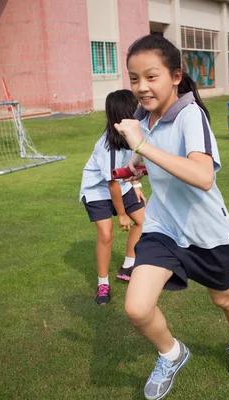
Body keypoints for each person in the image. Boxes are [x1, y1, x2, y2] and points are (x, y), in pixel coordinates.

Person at [113, 34, 229, 400]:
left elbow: (203, 176)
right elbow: (152, 154)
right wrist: (135, 165)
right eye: (134, 78)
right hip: (163, 227)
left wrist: (142, 146)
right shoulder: (144, 116)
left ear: (175, 76)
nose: (141, 87)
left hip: (207, 233)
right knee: (137, 308)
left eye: (151, 77)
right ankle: (172, 353)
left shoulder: (191, 116)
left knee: (223, 299)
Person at [79, 89, 146, 304]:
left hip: (120, 185)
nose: (139, 109)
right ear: (125, 112)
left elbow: (131, 164)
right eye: (135, 106)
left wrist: (135, 184)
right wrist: (122, 214)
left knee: (144, 221)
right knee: (106, 234)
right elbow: (112, 184)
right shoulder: (108, 146)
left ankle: (128, 265)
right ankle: (102, 284)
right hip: (97, 190)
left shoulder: (132, 134)